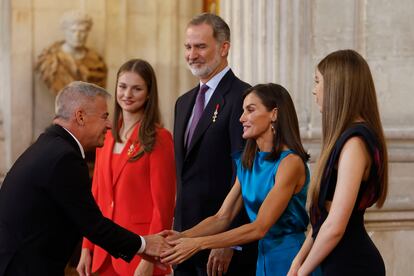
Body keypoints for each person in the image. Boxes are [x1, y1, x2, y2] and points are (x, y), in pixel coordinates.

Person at [0, 81, 169, 276]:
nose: (108, 124)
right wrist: (145, 244)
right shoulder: (64, 157)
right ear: (80, 116)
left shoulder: (51, 145)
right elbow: (93, 225)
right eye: (104, 116)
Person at [163, 83, 318, 276]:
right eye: (243, 110)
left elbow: (259, 227)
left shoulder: (290, 163)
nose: (241, 118)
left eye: (250, 110)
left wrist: (198, 243)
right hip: (262, 259)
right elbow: (222, 217)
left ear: (274, 114)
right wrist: (181, 236)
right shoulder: (247, 161)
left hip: (290, 260)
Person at [287, 49, 388, 276]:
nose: (314, 90)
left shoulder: (355, 142)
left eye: (317, 81)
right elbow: (322, 223)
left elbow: (335, 226)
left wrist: (303, 272)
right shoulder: (348, 137)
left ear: (336, 86)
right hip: (337, 261)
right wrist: (297, 263)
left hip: (353, 265)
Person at [173, 12, 257, 276]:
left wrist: (231, 240)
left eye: (200, 46)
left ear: (223, 48)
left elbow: (246, 172)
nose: (192, 54)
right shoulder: (183, 102)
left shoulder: (244, 97)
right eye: (188, 47)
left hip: (221, 246)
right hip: (184, 239)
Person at [76, 59, 176, 276]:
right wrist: (86, 247)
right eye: (122, 87)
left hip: (140, 254)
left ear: (149, 93)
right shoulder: (106, 135)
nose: (127, 94)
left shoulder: (160, 139)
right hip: (103, 252)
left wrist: (151, 258)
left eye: (137, 88)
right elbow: (95, 197)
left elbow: (163, 207)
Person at [36, 10, 107, 94]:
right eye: (73, 31)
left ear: (88, 32)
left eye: (82, 31)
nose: (77, 35)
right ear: (65, 31)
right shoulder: (50, 60)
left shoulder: (97, 61)